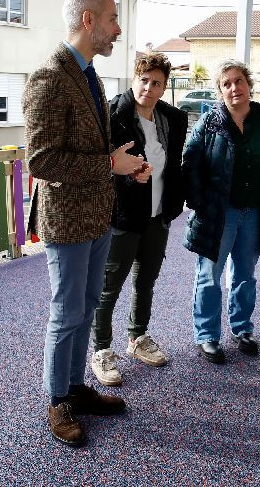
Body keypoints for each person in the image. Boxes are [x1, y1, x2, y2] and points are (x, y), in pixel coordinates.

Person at [24, 0, 147, 448]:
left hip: (96, 216)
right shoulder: (49, 77)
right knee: (67, 313)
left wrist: (122, 164)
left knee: (86, 307)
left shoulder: (91, 75)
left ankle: (76, 388)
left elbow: (86, 153)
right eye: (113, 19)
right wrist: (107, 164)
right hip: (67, 221)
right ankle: (58, 401)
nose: (118, 30)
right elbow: (41, 160)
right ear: (88, 20)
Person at [183, 59, 260, 363]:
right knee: (210, 275)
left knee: (245, 274)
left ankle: (242, 328)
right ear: (220, 89)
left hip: (255, 212)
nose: (234, 88)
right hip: (219, 213)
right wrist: (200, 203)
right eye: (226, 83)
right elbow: (190, 164)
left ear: (249, 84)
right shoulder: (209, 123)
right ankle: (207, 335)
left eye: (238, 81)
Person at [90, 53, 188, 386]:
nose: (149, 87)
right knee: (109, 286)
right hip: (123, 214)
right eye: (144, 79)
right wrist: (130, 177)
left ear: (164, 87)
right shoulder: (115, 114)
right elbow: (104, 165)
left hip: (158, 214)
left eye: (156, 82)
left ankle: (137, 338)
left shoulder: (172, 119)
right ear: (135, 79)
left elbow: (173, 164)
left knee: (145, 281)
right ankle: (101, 350)